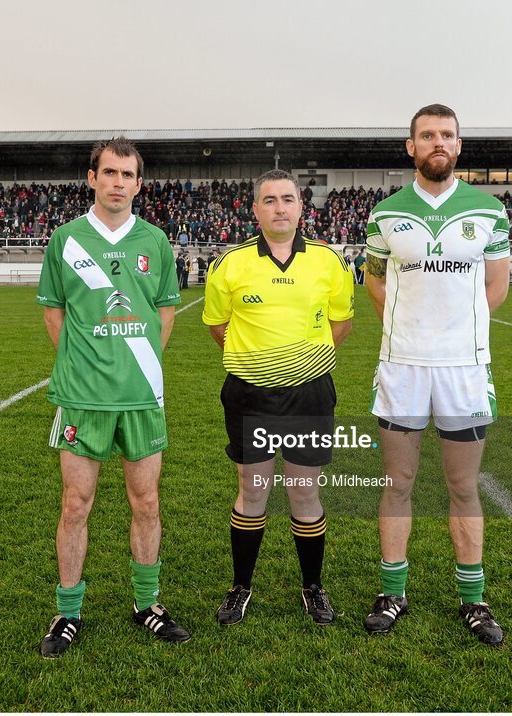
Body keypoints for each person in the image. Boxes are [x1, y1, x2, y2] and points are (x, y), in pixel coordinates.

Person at [36, 138, 189, 657]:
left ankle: (147, 603)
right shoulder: (65, 240)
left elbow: (166, 311)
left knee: (145, 501)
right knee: (75, 503)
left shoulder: (157, 242)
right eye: (110, 172)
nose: (118, 182)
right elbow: (54, 312)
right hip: (82, 398)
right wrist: (85, 365)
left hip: (142, 396)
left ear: (139, 184)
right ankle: (68, 611)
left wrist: (139, 363)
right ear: (92, 178)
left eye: (128, 174)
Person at [363, 104, 509, 646]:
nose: (437, 142)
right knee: (397, 484)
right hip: (402, 368)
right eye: (427, 135)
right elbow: (374, 283)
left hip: (464, 371)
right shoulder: (385, 215)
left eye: (446, 134)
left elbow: (496, 287)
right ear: (411, 146)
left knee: (463, 487)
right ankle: (392, 591)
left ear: (459, 144)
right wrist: (409, 333)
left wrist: (457, 337)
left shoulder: (490, 210)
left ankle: (473, 600)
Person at [203, 169, 354, 627]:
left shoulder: (330, 261)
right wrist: (261, 365)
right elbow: (217, 327)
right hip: (251, 395)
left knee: (304, 492)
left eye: (287, 199)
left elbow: (340, 324)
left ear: (301, 206)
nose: (280, 207)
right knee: (252, 490)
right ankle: (240, 587)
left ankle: (313, 588)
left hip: (309, 395)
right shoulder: (229, 264)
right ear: (255, 210)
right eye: (269, 200)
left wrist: (299, 362)